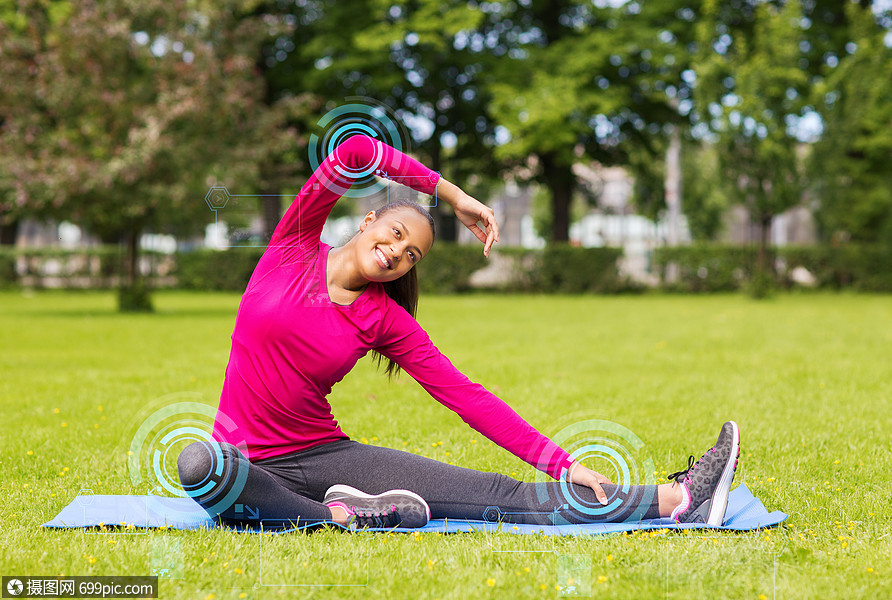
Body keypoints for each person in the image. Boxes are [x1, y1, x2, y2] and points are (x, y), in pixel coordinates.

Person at [177, 134, 740, 530]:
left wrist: (560, 461)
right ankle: (340, 517)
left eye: (411, 254)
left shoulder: (383, 318)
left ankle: (678, 500)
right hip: (244, 465)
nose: (397, 251)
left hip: (322, 455)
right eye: (396, 233)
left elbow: (463, 394)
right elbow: (352, 152)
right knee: (200, 465)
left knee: (500, 496)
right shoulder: (290, 248)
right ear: (369, 220)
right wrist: (452, 196)